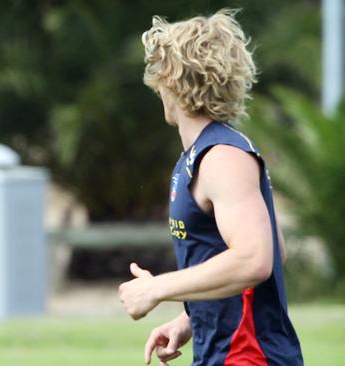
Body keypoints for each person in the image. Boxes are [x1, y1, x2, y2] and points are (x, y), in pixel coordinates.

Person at [117, 9, 303, 365]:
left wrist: (156, 288)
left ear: (171, 78)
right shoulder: (204, 154)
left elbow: (256, 259)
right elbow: (271, 250)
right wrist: (189, 319)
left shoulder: (223, 158)